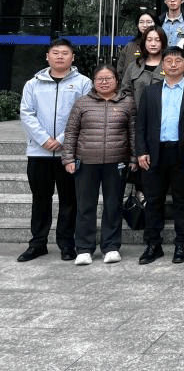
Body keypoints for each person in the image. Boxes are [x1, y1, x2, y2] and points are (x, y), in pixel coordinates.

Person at [18, 39, 93, 263]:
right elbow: (26, 113)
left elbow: (84, 114)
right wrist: (43, 139)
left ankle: (67, 243)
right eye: (56, 52)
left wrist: (62, 139)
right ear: (47, 56)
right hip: (38, 152)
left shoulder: (83, 83)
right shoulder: (33, 84)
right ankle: (37, 243)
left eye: (65, 53)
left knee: (69, 201)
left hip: (68, 154)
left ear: (73, 57)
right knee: (40, 199)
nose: (60, 56)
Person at [60, 64, 136, 266]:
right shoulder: (82, 103)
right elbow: (71, 132)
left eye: (108, 78)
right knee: (85, 206)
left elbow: (133, 133)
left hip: (116, 161)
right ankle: (84, 248)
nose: (104, 82)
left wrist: (134, 158)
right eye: (99, 79)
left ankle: (111, 247)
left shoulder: (127, 103)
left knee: (113, 205)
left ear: (116, 81)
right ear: (93, 82)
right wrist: (68, 158)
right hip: (86, 162)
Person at [135, 48, 184, 265]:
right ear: (162, 65)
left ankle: (181, 244)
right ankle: (153, 244)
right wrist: (141, 151)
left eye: (178, 61)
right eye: (169, 61)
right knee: (153, 200)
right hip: (154, 153)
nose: (173, 64)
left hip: (183, 153)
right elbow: (141, 124)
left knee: (182, 200)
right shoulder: (150, 91)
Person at [121, 26, 166, 107]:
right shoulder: (134, 66)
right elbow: (125, 92)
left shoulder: (170, 66)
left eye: (157, 40)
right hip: (137, 112)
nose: (153, 44)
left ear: (163, 42)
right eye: (149, 40)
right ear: (144, 42)